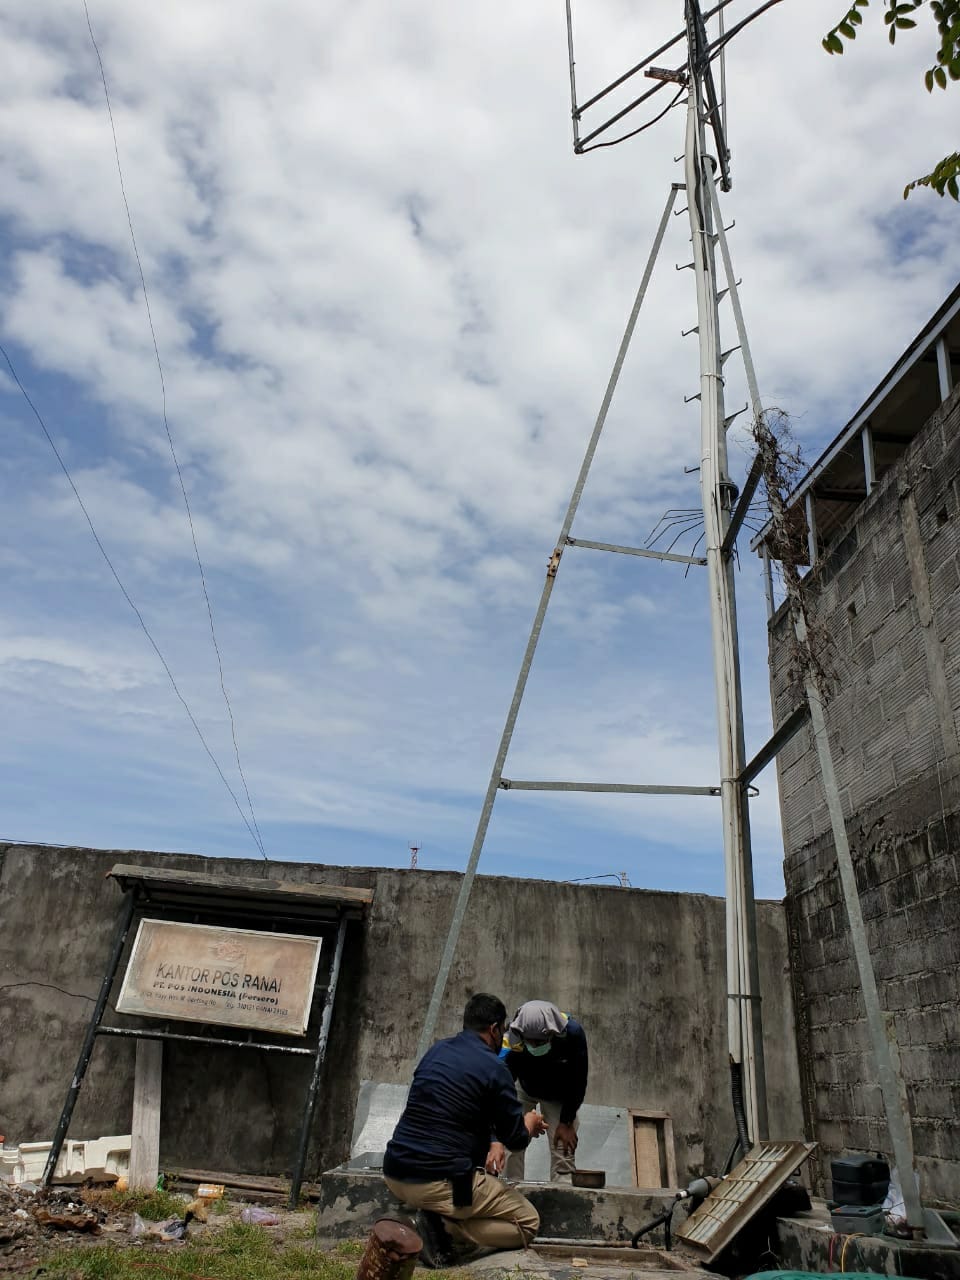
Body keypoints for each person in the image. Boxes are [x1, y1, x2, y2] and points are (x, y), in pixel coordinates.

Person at [383, 992, 549, 1268]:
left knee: (466, 1187)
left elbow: (460, 1110)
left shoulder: (437, 1051)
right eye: (502, 1031)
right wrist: (529, 1124)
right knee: (527, 1222)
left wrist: (492, 1141)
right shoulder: (496, 1068)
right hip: (439, 1181)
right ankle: (444, 1230)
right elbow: (517, 1139)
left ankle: (436, 1218)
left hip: (396, 1173)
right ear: (495, 1029)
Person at [500, 1000, 588, 1183]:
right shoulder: (513, 1035)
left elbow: (578, 1080)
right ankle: (510, 1193)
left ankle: (563, 1197)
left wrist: (566, 1121)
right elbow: (504, 1080)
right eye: (530, 1041)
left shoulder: (573, 1034)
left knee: (564, 1146)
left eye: (540, 1041)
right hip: (524, 1087)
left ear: (552, 1033)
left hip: (559, 1094)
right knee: (510, 1143)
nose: (535, 1045)